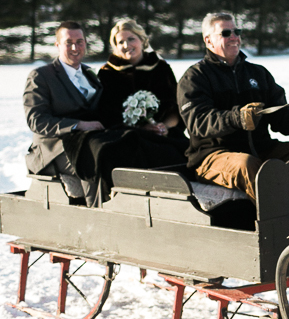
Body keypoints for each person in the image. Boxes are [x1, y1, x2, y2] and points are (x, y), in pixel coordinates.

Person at [177, 12, 289, 199]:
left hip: (262, 148)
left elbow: (281, 121)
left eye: (237, 31)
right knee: (247, 165)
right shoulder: (195, 77)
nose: (234, 37)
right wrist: (236, 118)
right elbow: (198, 122)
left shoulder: (258, 73)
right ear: (208, 40)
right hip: (212, 155)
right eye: (226, 33)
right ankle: (280, 224)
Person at [23, 22, 105, 205]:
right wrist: (78, 125)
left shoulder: (89, 75)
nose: (75, 48)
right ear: (58, 45)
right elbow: (36, 120)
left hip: (89, 142)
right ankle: (95, 215)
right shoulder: (41, 76)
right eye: (69, 42)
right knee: (93, 162)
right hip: (53, 147)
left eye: (80, 42)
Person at [97, 18, 185, 141]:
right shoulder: (107, 73)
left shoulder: (161, 68)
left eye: (131, 39)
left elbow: (175, 106)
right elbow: (106, 114)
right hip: (124, 138)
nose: (126, 45)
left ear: (142, 40)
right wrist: (139, 129)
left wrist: (164, 127)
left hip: (165, 135)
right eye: (121, 42)